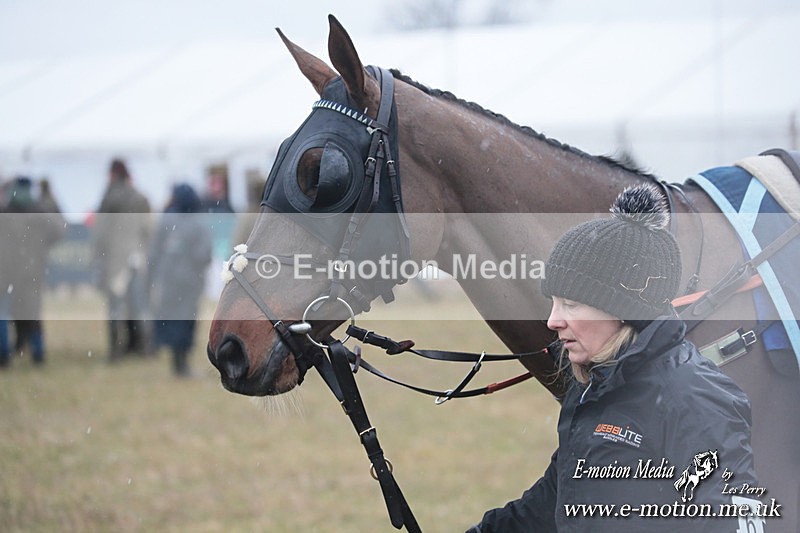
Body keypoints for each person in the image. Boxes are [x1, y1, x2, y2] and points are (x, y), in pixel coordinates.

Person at [469, 184, 758, 532]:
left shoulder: (694, 399)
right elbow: (557, 499)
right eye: (554, 302)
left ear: (623, 310)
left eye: (571, 304)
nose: (552, 320)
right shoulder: (591, 387)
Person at [147, 183, 212, 377]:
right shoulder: (199, 222)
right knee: (186, 321)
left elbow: (154, 252)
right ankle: (181, 364)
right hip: (190, 282)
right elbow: (205, 254)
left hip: (169, 281)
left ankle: (173, 360)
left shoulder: (166, 220)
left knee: (170, 318)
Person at [92, 158, 152, 362]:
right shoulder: (140, 197)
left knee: (116, 308)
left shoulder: (109, 197)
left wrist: (99, 255)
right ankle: (144, 347)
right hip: (137, 257)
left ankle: (116, 352)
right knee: (140, 306)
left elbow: (100, 232)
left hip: (116, 260)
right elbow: (147, 230)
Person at [0, 176, 65, 367]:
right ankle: (38, 354)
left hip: (5, 271)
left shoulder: (5, 210)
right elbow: (60, 230)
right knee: (32, 313)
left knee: (2, 312)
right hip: (32, 270)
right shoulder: (40, 211)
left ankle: (4, 355)